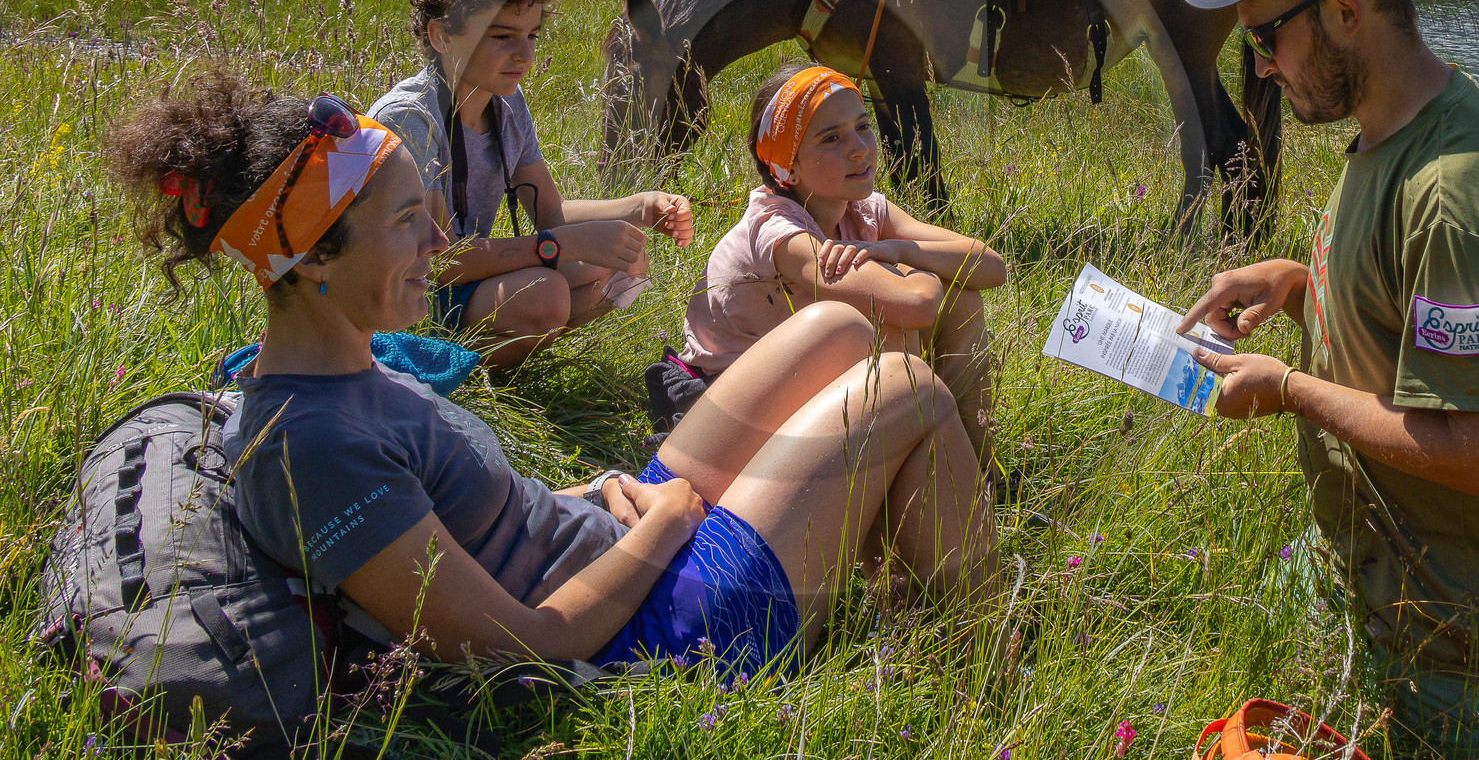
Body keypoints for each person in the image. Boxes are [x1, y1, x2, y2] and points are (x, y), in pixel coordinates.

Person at [107, 73, 996, 675]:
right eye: (409, 221)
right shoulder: (313, 447)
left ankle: (894, 578)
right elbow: (526, 644)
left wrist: (605, 483)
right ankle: (984, 637)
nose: (439, 244)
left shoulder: (345, 365)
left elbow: (472, 519)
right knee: (906, 388)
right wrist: (671, 523)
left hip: (611, 531)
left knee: (840, 328)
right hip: (654, 625)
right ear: (310, 261)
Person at [1173, 0, 1479, 759]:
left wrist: (1289, 389)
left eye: (1267, 38)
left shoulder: (1459, 195)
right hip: (1402, 596)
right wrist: (1291, 282)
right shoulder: (1386, 132)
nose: (1261, 66)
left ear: (1346, 13)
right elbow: (1401, 317)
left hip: (1458, 641)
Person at [371, 0, 693, 367]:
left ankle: (498, 353)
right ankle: (436, 369)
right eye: (502, 36)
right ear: (442, 36)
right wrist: (552, 248)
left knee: (624, 262)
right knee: (546, 295)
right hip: (407, 295)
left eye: (533, 35)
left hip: (465, 283)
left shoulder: (505, 103)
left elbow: (551, 213)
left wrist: (638, 208)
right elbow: (438, 260)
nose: (524, 55)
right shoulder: (410, 119)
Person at [680, 64, 1009, 481]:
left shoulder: (861, 208)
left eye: (863, 126)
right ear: (789, 166)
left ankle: (980, 473)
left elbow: (992, 266)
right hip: (730, 411)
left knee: (962, 297)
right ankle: (921, 486)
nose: (860, 149)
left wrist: (899, 248)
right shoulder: (780, 232)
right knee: (893, 326)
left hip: (801, 383)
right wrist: (909, 264)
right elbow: (918, 304)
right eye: (831, 138)